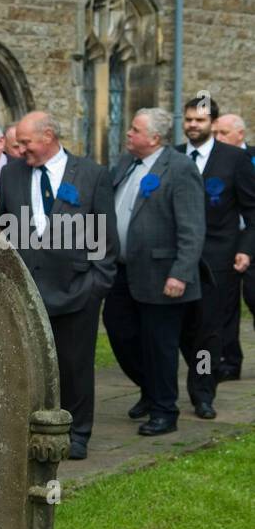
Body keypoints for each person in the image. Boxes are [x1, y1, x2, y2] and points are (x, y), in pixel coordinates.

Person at [0, 111, 118, 459]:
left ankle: (78, 432)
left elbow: (104, 236)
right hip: (28, 291)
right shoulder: (12, 173)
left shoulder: (91, 175)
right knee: (29, 366)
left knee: (75, 365)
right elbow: (6, 227)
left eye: (25, 142)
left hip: (77, 290)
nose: (19, 149)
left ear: (48, 135)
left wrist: (96, 285)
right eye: (17, 143)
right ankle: (31, 428)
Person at [103, 108, 206, 437]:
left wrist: (181, 273)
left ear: (155, 138)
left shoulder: (179, 168)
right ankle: (150, 389)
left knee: (159, 344)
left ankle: (165, 410)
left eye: (134, 130)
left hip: (163, 275)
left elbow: (192, 227)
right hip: (122, 270)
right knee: (120, 332)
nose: (128, 134)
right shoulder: (125, 163)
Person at [174, 97, 255, 418]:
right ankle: (163, 388)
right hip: (176, 259)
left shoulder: (234, 159)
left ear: (212, 123)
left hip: (217, 260)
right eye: (189, 119)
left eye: (200, 120)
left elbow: (251, 210)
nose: (194, 125)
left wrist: (245, 248)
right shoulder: (174, 157)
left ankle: (203, 391)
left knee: (209, 331)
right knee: (178, 329)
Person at [212, 112, 252, 379]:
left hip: (250, 239)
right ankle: (228, 359)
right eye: (216, 133)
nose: (218, 138)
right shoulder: (214, 160)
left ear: (241, 134)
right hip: (227, 242)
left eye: (223, 133)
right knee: (224, 304)